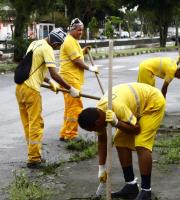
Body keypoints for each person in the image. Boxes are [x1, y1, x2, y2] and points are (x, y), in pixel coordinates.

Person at [78, 83, 165, 200]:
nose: (95, 131)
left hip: (153, 102)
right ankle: (131, 186)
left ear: (98, 122)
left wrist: (117, 122)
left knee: (141, 144)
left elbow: (136, 129)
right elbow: (102, 140)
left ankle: (146, 191)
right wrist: (101, 167)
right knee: (120, 141)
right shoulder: (98, 113)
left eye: (94, 129)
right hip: (135, 106)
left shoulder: (116, 107)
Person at [15, 28, 80, 169]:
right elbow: (55, 74)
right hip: (31, 90)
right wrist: (70, 89)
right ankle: (34, 159)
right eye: (58, 46)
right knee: (36, 124)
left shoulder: (34, 43)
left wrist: (49, 82)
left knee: (28, 124)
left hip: (20, 88)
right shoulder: (48, 49)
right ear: (56, 43)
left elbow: (33, 70)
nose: (57, 48)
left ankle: (33, 153)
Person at [58, 18, 97, 141]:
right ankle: (71, 134)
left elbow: (76, 55)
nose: (81, 32)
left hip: (70, 78)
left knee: (69, 107)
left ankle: (65, 132)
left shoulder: (73, 40)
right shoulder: (69, 41)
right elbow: (76, 60)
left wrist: (83, 51)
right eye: (79, 30)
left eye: (82, 30)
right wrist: (90, 68)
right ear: (72, 29)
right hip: (70, 79)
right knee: (75, 106)